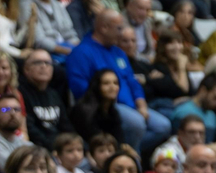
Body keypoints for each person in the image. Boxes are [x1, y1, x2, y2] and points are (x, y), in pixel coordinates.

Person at [64, 9, 171, 156]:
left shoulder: (118, 52)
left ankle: (124, 151)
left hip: (132, 105)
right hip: (105, 106)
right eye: (119, 28)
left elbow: (132, 81)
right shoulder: (81, 52)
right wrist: (106, 104)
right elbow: (79, 89)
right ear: (104, 28)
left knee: (163, 126)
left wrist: (142, 104)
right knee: (137, 123)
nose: (121, 33)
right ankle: (128, 157)